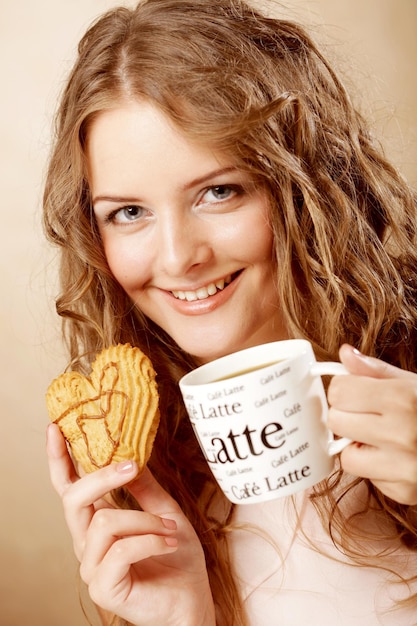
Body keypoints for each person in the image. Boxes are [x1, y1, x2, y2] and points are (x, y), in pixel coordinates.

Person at [43, 0, 417, 624]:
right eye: (128, 213)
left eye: (220, 191)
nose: (178, 257)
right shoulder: (155, 480)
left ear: (306, 190)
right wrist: (186, 618)